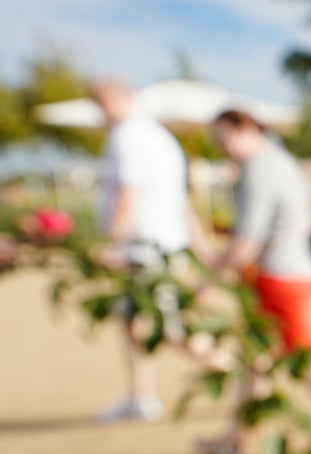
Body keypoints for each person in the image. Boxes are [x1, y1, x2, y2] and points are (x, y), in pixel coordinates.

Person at [199, 108, 311, 454]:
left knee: (306, 357)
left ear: (244, 128)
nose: (220, 146)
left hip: (279, 278)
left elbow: (248, 238)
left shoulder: (258, 169)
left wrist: (209, 278)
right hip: (288, 272)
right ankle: (235, 439)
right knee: (254, 361)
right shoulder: (280, 163)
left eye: (222, 137)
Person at [90, 78, 205, 422]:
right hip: (154, 245)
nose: (100, 113)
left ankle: (241, 369)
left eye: (101, 103)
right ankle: (141, 396)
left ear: (119, 98)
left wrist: (112, 243)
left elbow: (128, 192)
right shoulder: (157, 135)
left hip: (144, 248)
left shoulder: (129, 136)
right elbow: (181, 199)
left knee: (167, 327)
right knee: (133, 322)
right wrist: (199, 242)